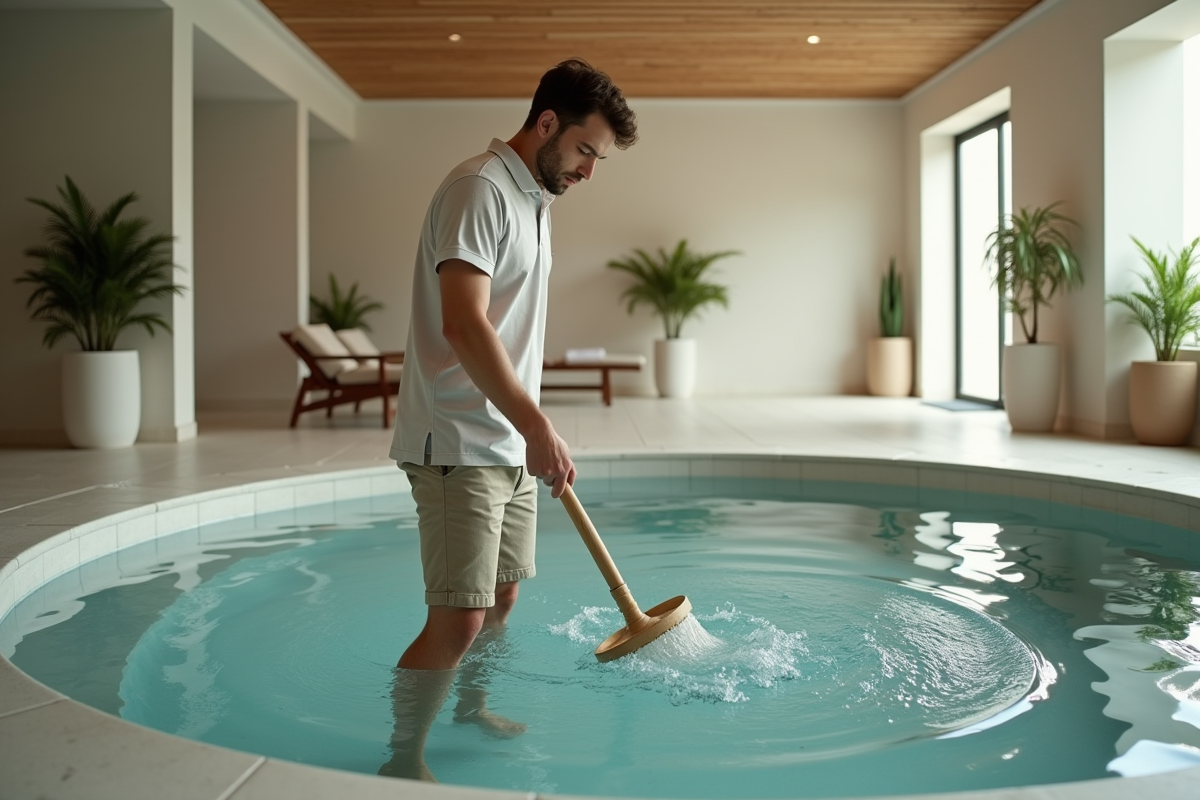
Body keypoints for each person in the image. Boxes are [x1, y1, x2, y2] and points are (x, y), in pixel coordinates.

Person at [379, 58, 638, 781]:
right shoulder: (479, 189)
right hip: (458, 437)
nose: (590, 170)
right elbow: (464, 325)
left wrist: (526, 428)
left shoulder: (534, 199)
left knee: (502, 595)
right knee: (458, 617)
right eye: (586, 149)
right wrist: (536, 425)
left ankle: (469, 708)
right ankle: (402, 760)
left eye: (600, 159)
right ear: (547, 123)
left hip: (504, 437)